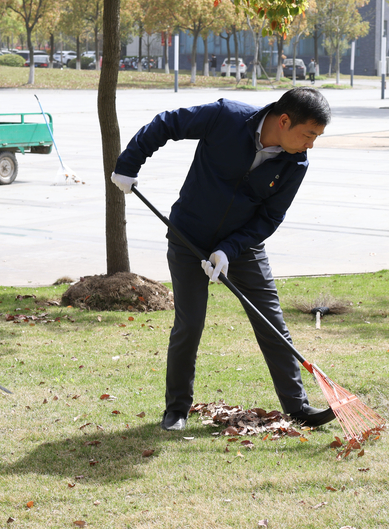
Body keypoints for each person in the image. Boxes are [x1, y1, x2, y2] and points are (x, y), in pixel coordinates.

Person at [110, 88, 336, 431]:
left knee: (271, 322)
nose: (311, 144)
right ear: (284, 120)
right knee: (189, 325)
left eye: (317, 137)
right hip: (189, 238)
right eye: (308, 135)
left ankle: (298, 406)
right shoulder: (226, 117)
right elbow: (167, 124)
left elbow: (269, 218)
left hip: (244, 248)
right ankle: (176, 410)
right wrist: (129, 164)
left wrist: (229, 249)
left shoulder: (296, 162)